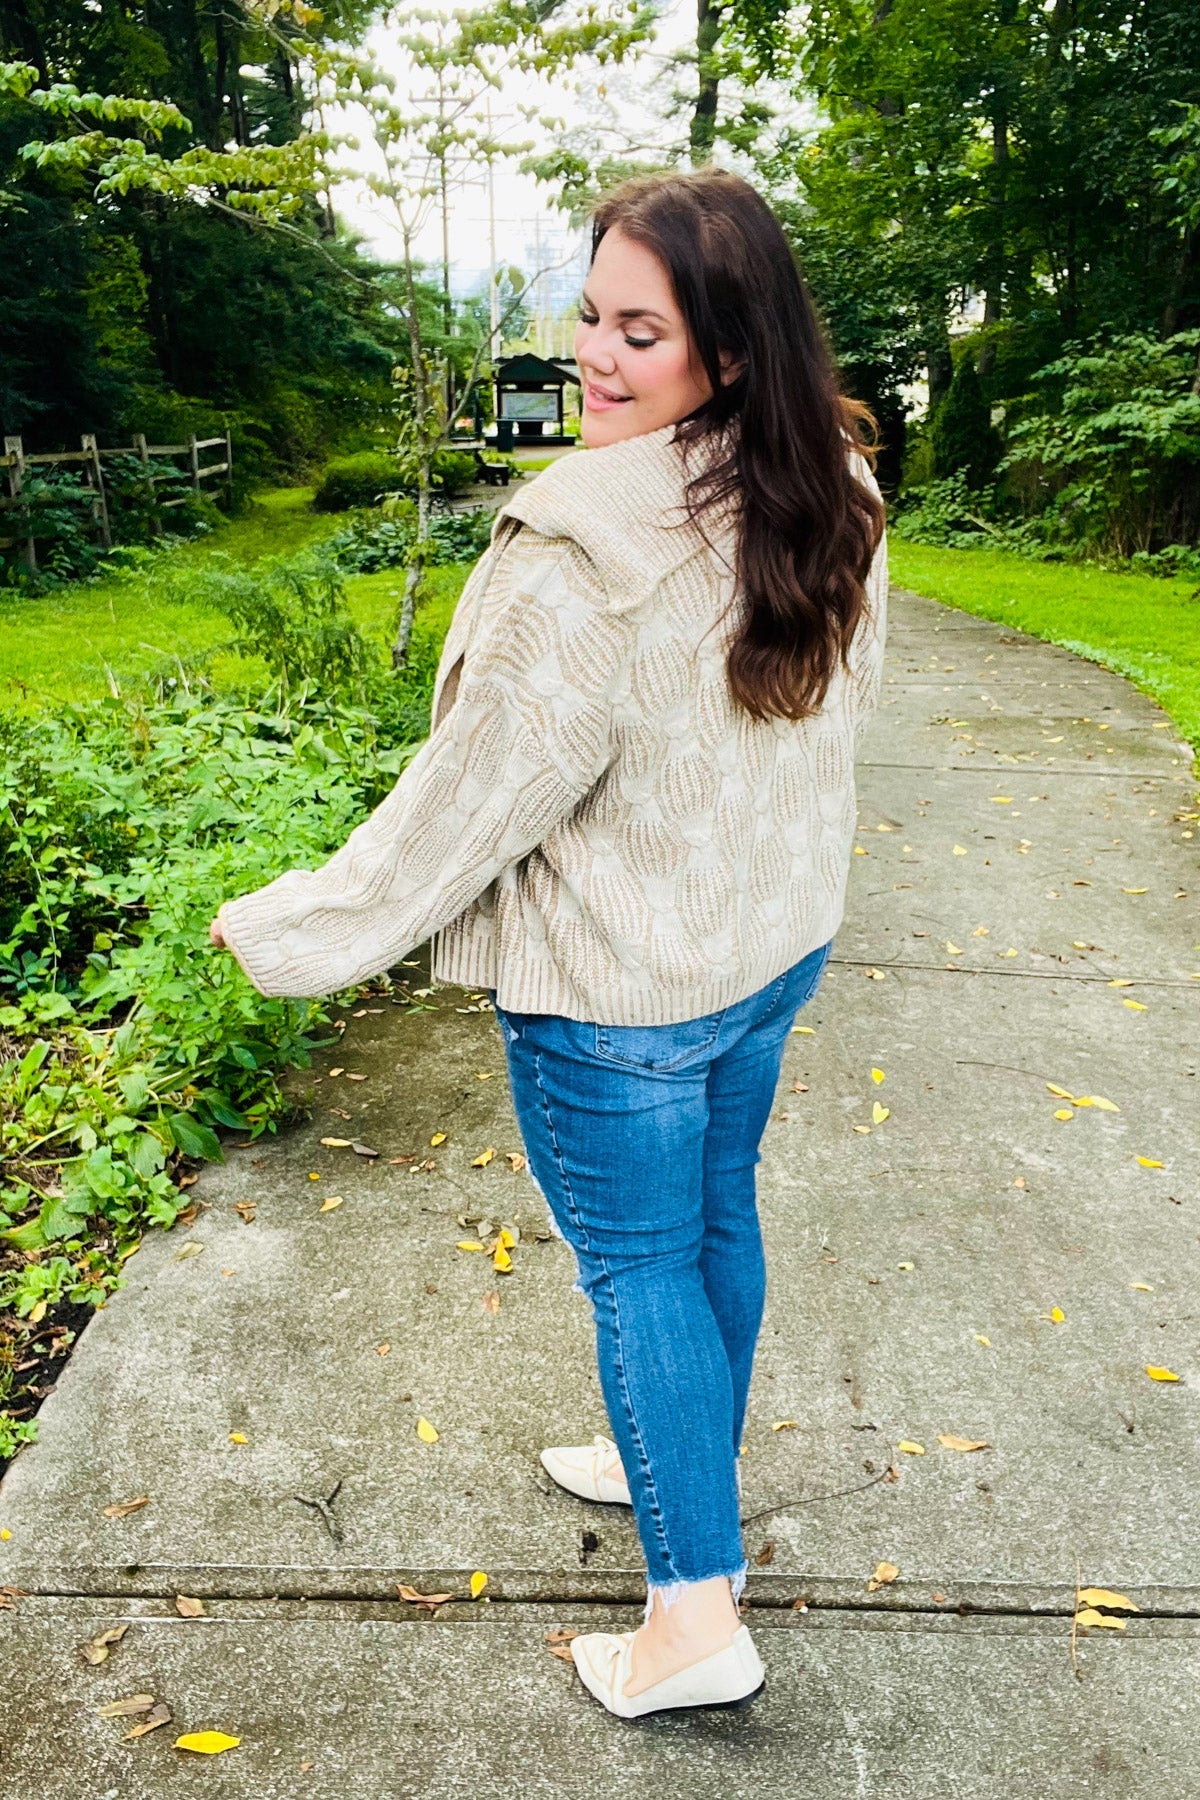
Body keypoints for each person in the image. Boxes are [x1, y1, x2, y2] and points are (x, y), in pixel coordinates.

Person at [211, 167, 887, 1720]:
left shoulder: (584, 547)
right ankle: (680, 1465)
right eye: (590, 315)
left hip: (623, 990)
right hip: (767, 948)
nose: (592, 354)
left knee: (645, 1268)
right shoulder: (831, 488)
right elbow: (839, 721)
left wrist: (296, 929)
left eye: (640, 332)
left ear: (730, 349)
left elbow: (467, 803)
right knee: (713, 1224)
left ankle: (693, 1622)